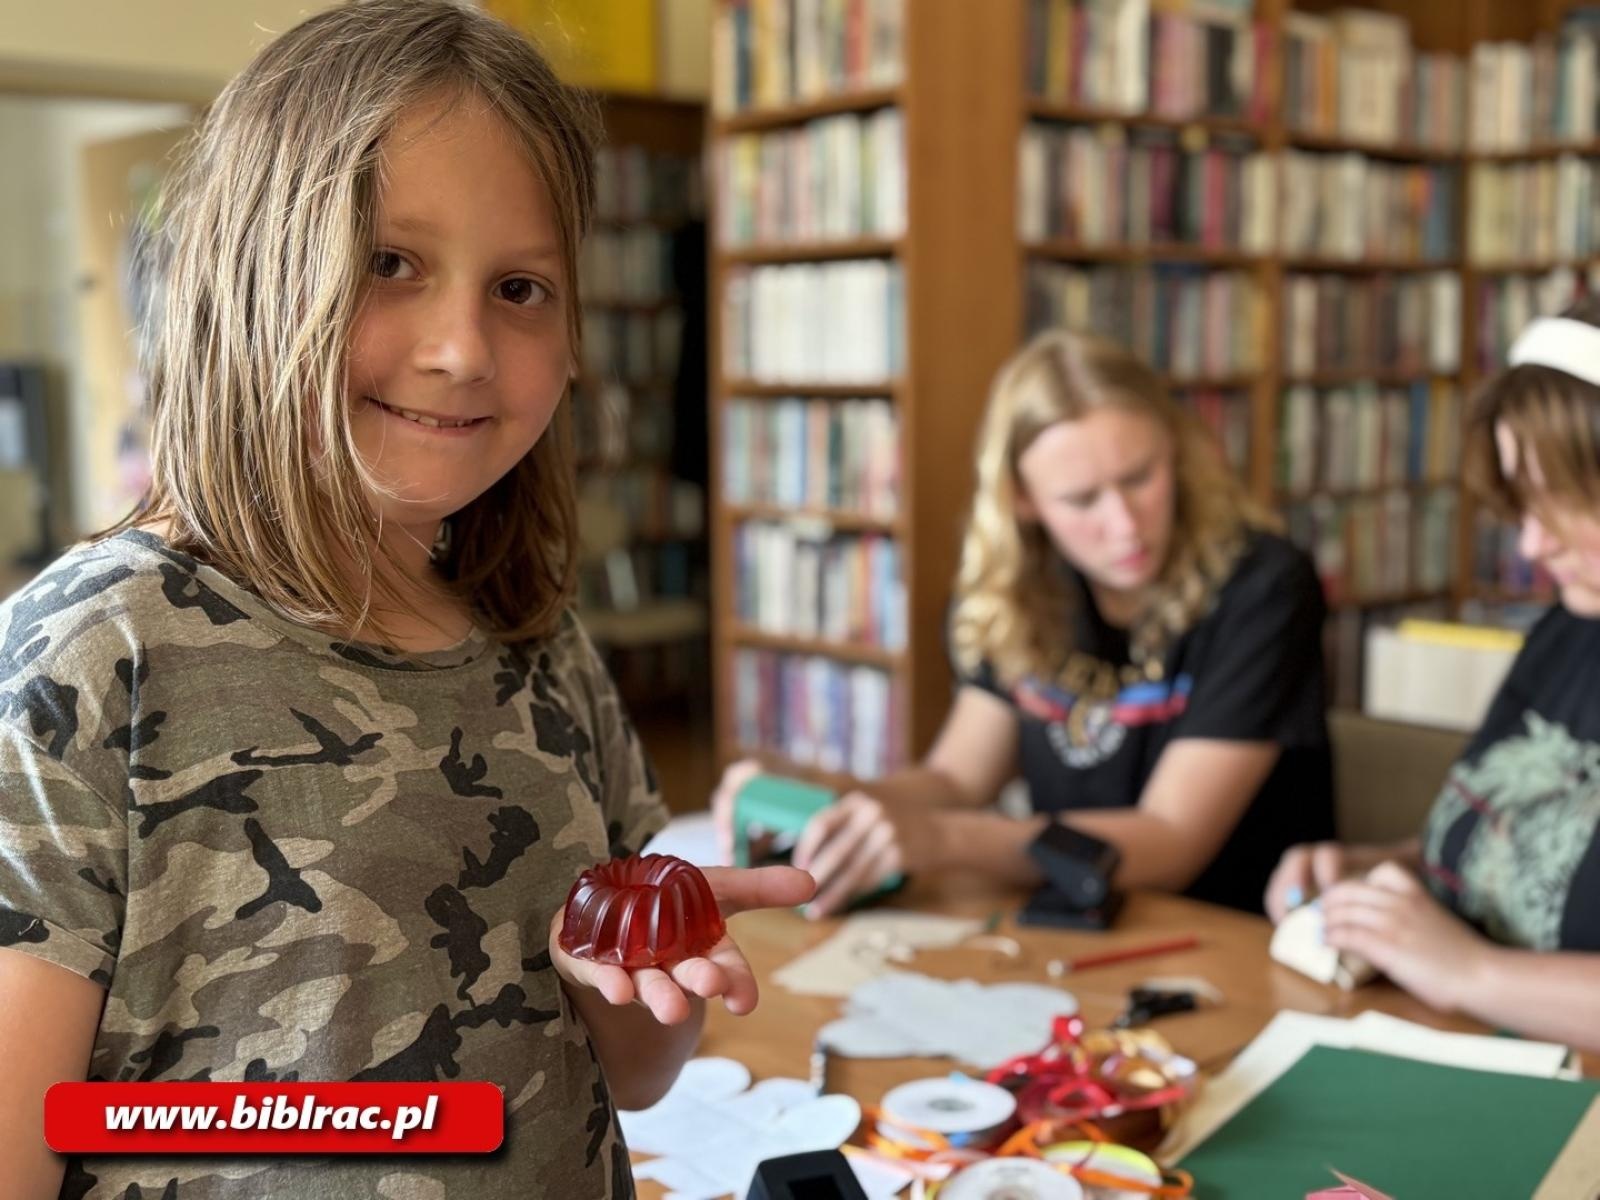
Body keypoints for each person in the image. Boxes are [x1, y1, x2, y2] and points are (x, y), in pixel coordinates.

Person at [0, 4, 812, 1197]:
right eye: (391, 263)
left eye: (522, 287)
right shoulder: (88, 656)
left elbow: (634, 1075)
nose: (462, 348)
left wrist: (647, 963)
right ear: (250, 274)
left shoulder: (544, 649)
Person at [714, 329, 1335, 917]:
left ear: (1176, 448)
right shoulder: (1022, 589)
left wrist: (942, 839)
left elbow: (1172, 841)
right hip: (1075, 917)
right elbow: (957, 778)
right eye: (1082, 500)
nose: (1124, 524)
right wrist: (826, 800)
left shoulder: (1264, 584)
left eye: (1140, 477)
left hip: (1231, 935)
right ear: (1023, 500)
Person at [1265, 300, 1600, 1052]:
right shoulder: (1572, 622)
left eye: (1569, 504)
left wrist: (1470, 972)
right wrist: (1383, 877)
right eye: (1522, 499)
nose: (1532, 542)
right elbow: (1513, 833)